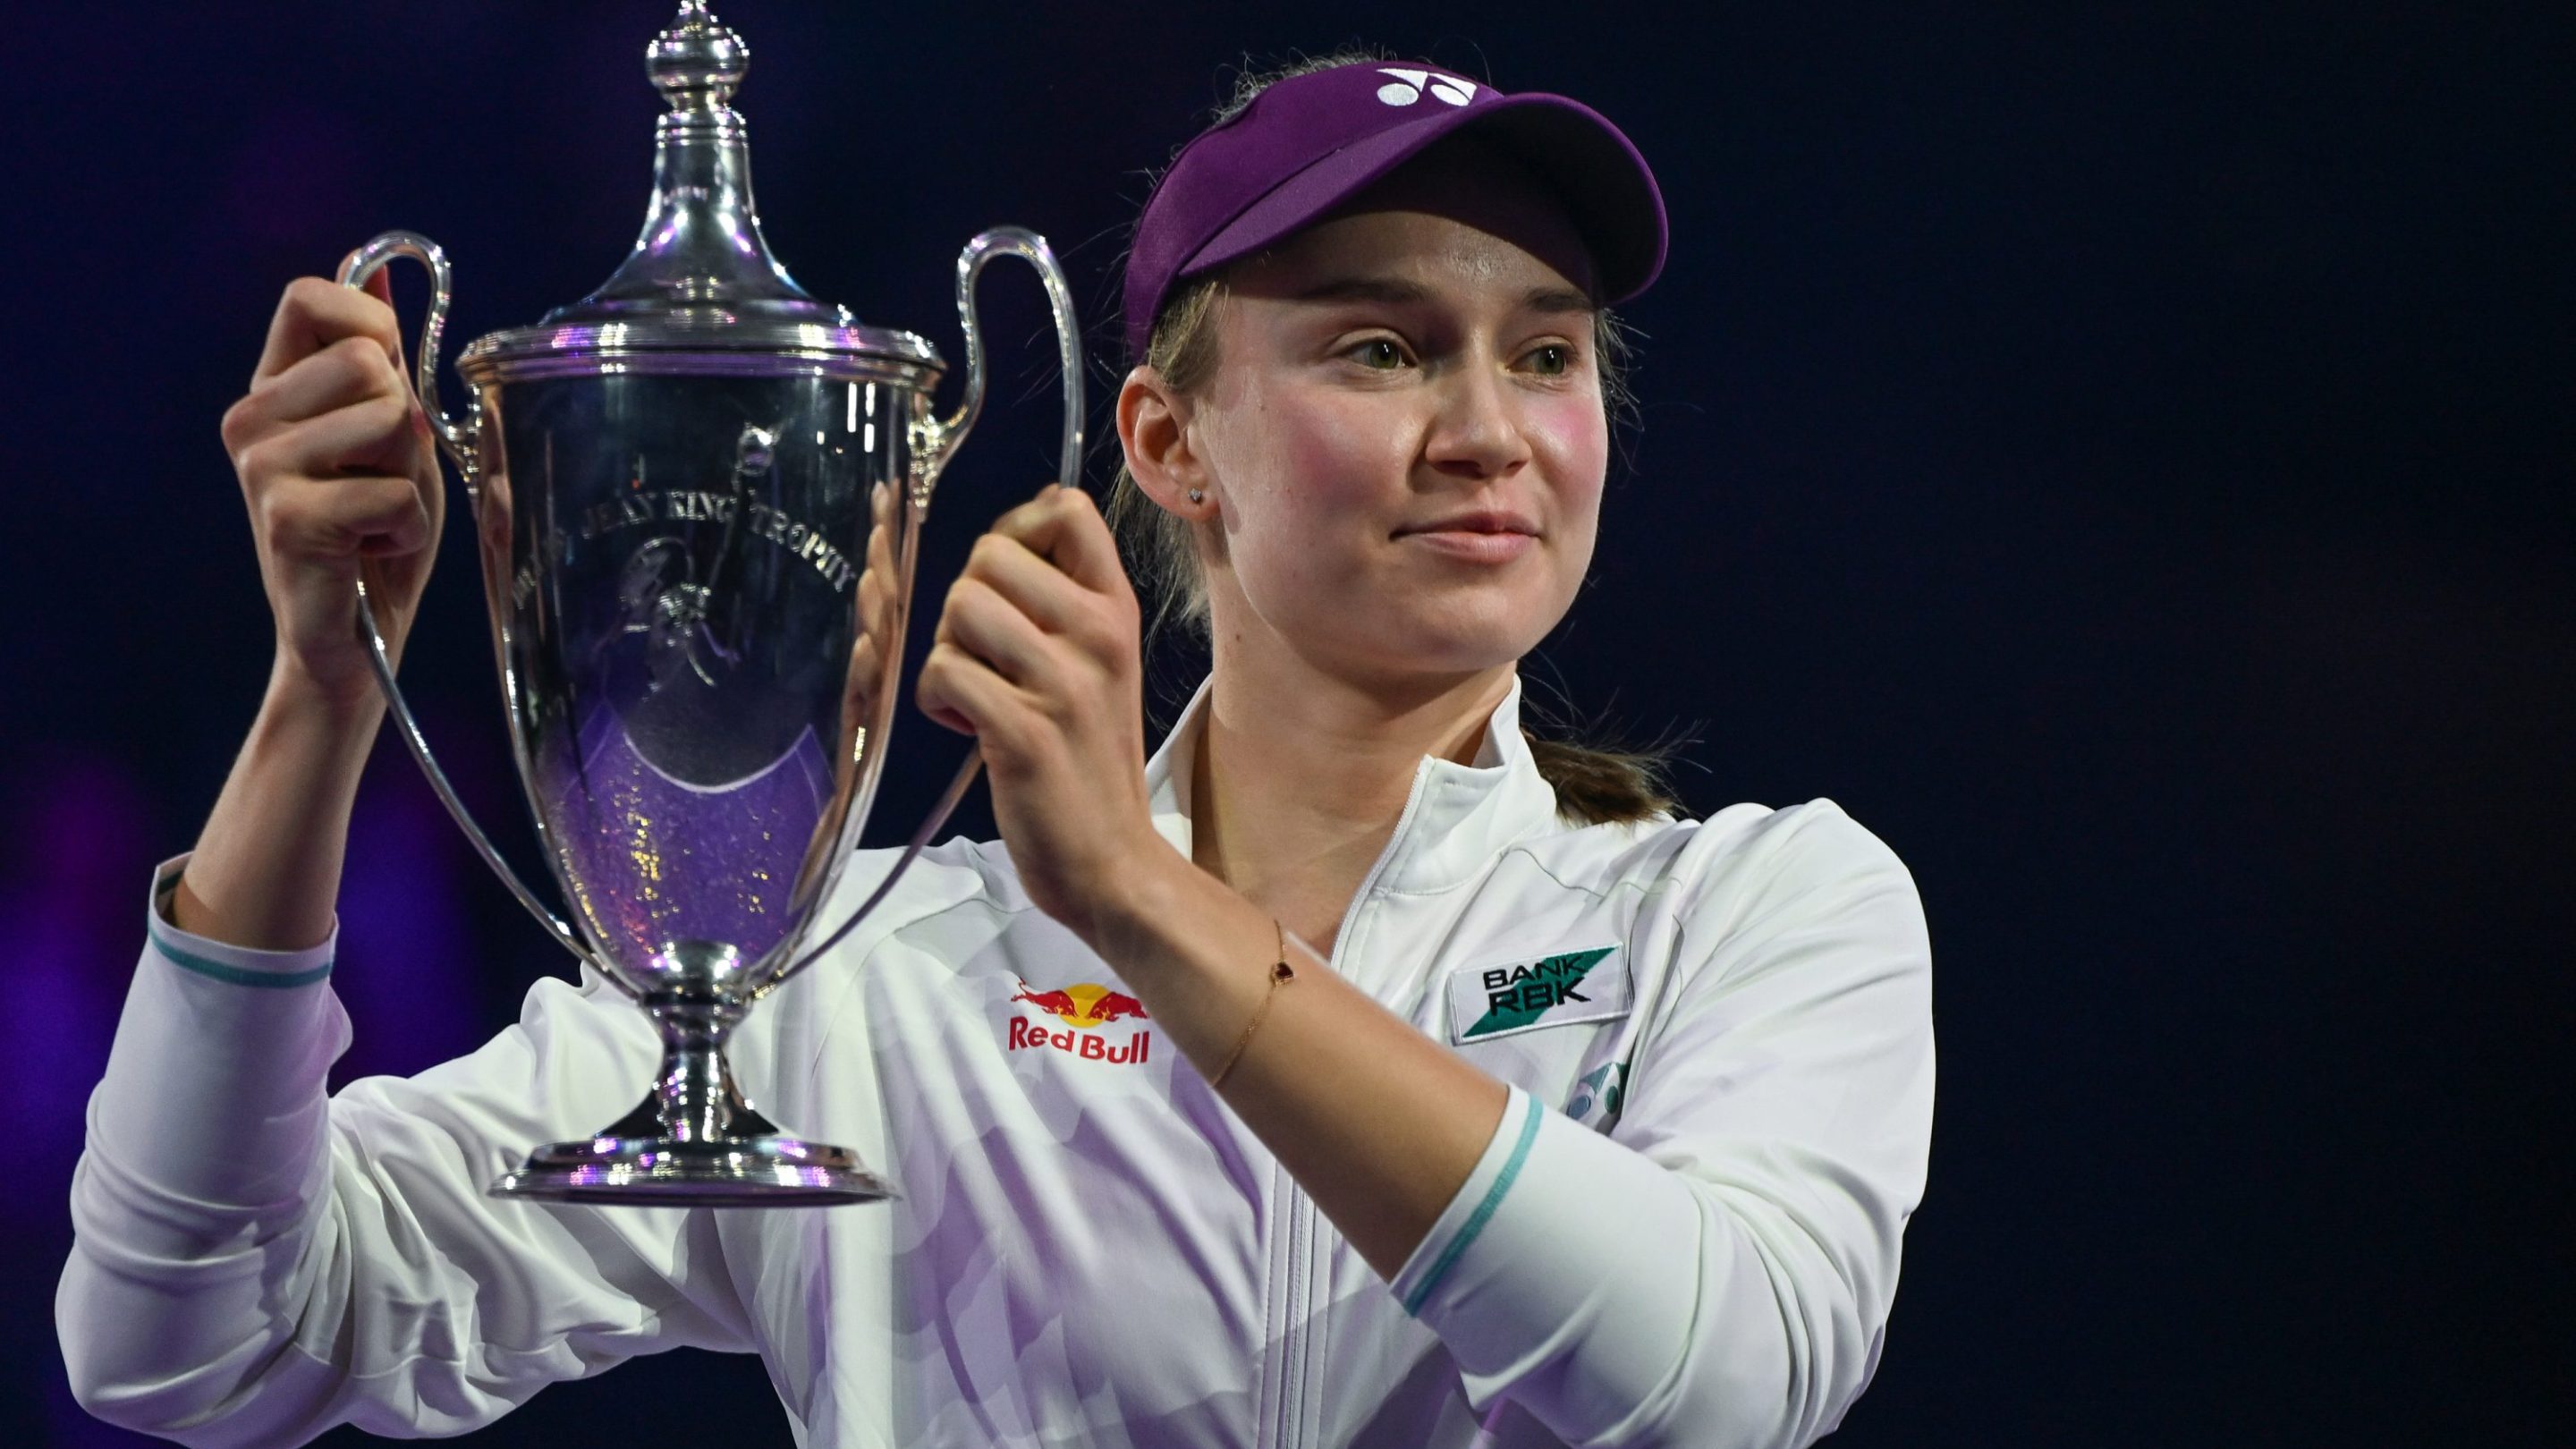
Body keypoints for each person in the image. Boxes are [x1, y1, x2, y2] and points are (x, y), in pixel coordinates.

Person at [58, 54, 1934, 1449]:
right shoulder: (858, 979)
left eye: (1546, 355)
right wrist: (323, 695)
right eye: (1381, 348)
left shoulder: (1756, 909)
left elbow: (1713, 1381)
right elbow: (191, 1338)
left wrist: (1131, 897)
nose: (1488, 429)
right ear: (1168, 442)